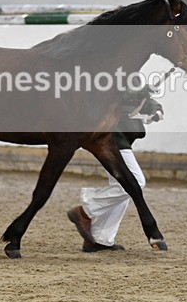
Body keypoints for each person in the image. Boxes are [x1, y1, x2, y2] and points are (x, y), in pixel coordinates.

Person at [67, 86, 163, 252]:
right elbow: (113, 93)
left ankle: (100, 239)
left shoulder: (132, 74)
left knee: (122, 187)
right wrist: (140, 92)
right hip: (111, 138)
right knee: (136, 182)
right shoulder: (109, 72)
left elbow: (138, 99)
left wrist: (154, 107)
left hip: (123, 137)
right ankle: (85, 210)